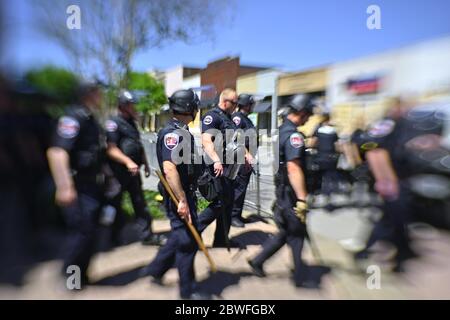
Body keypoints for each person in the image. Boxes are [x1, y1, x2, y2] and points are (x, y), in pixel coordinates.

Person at [353, 99, 448, 272]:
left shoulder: (403, 125)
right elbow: (375, 152)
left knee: (391, 218)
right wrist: (386, 182)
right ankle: (396, 255)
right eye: (404, 107)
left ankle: (396, 252)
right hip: (391, 182)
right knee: (394, 218)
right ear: (395, 107)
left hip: (400, 180)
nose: (408, 110)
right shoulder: (386, 125)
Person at [144, 89, 210, 300]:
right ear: (190, 108)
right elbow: (169, 169)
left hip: (182, 194)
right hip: (177, 196)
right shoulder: (173, 133)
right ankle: (187, 292)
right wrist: (182, 200)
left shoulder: (181, 130)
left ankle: (156, 269)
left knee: (180, 235)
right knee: (187, 242)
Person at [247, 94, 319, 288]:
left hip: (283, 190)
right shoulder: (294, 135)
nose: (309, 119)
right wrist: (302, 199)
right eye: (308, 115)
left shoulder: (282, 131)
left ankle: (258, 260)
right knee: (296, 234)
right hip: (291, 193)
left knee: (287, 231)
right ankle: (300, 278)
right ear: (302, 113)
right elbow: (293, 167)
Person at [46, 81, 105, 287]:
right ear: (88, 94)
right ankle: (71, 279)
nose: (101, 96)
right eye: (98, 92)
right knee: (80, 233)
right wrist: (65, 187)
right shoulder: (72, 118)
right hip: (77, 185)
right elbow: (57, 152)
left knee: (90, 233)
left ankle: (81, 277)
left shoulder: (89, 118)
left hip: (91, 185)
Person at [105, 90, 163, 245]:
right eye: (131, 104)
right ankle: (112, 237)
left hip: (134, 172)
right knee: (115, 205)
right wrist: (127, 162)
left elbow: (137, 144)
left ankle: (147, 235)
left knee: (140, 203)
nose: (134, 107)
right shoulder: (113, 123)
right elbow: (111, 148)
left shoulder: (131, 122)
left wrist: (143, 162)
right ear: (123, 106)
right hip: (118, 172)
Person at [198, 88, 252, 247]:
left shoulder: (228, 118)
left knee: (228, 202)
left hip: (230, 169)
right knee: (219, 202)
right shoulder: (212, 116)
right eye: (235, 103)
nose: (237, 106)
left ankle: (221, 239)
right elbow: (206, 141)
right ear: (225, 101)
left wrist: (246, 155)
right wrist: (216, 160)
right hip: (216, 167)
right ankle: (194, 231)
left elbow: (236, 141)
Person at [230, 94, 256, 227]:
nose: (253, 106)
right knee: (238, 188)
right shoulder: (237, 118)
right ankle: (232, 216)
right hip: (240, 159)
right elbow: (236, 138)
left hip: (246, 160)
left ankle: (237, 214)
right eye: (251, 104)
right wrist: (247, 154)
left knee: (242, 188)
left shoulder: (246, 119)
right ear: (246, 104)